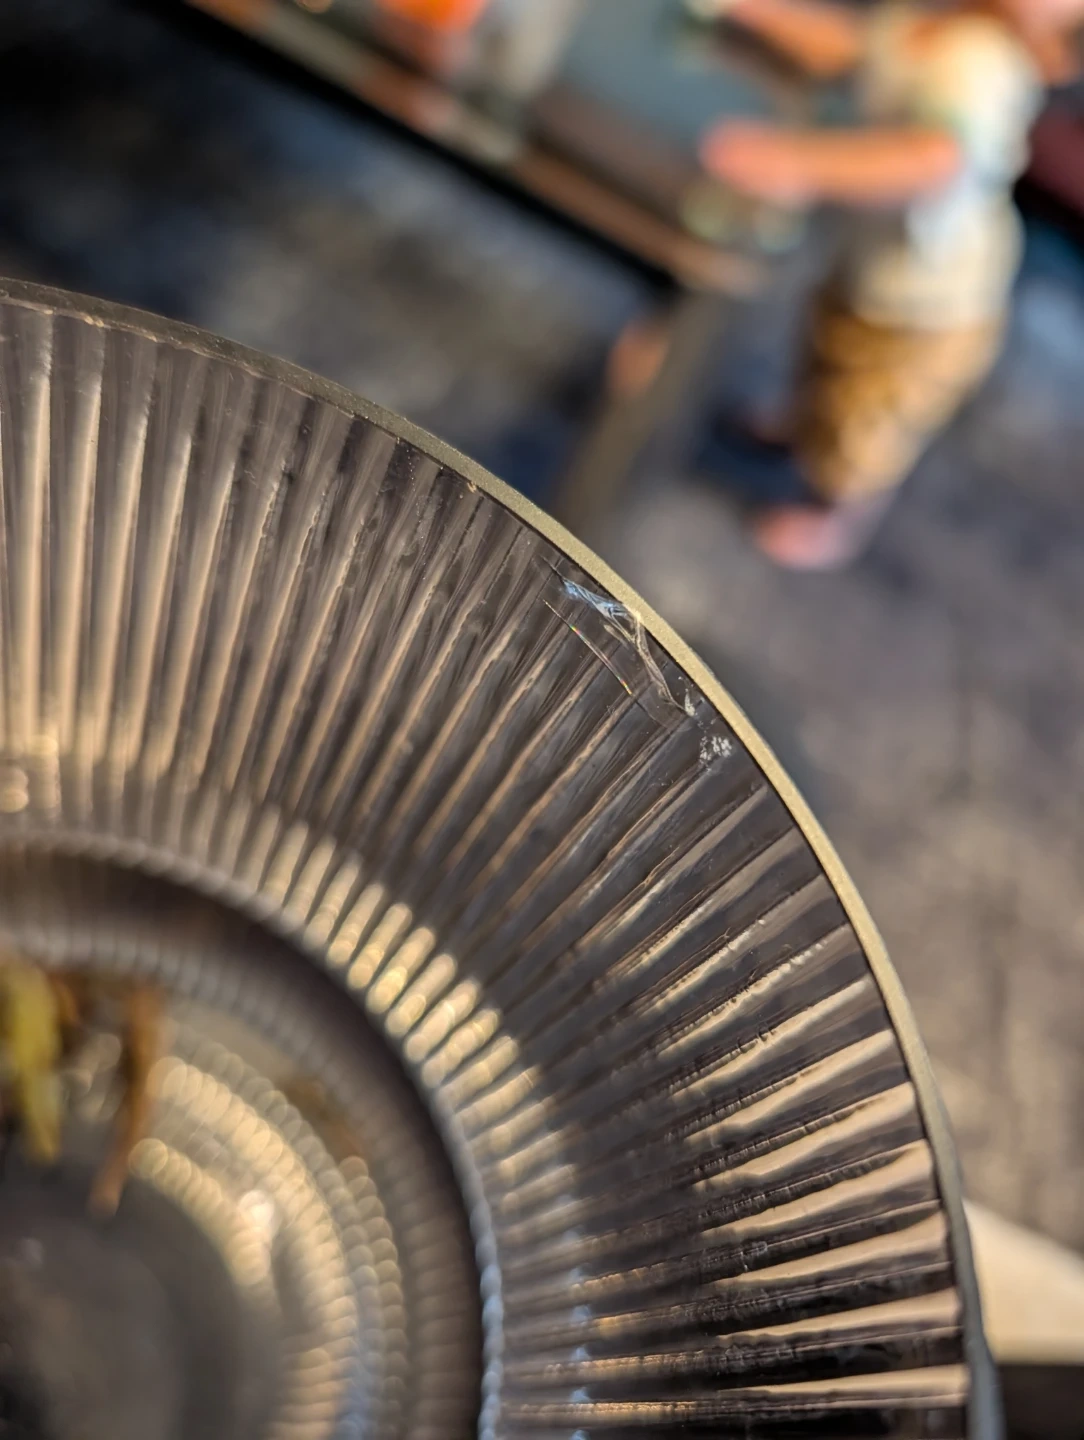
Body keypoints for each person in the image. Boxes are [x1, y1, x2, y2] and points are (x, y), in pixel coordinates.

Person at [699, 0, 1084, 568]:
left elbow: (932, 159)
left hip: (928, 309)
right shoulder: (941, 25)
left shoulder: (982, 63)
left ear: (1059, 46)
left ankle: (834, 516)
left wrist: (796, 164)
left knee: (866, 431)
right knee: (825, 354)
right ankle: (804, 431)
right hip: (880, 268)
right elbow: (850, 49)